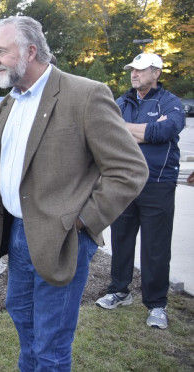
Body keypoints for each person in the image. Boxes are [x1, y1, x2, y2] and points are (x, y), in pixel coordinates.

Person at [0, 16, 148, 371]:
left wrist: (82, 222)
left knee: (52, 343)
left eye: (0, 51)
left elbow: (130, 169)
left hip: (64, 239)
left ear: (30, 51)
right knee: (22, 317)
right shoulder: (9, 103)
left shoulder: (85, 94)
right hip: (17, 236)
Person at [95, 53, 186, 330]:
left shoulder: (171, 103)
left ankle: (157, 304)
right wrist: (142, 129)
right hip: (124, 183)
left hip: (158, 183)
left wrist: (128, 129)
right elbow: (107, 134)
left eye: (140, 70)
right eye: (132, 70)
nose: (134, 74)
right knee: (121, 239)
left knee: (155, 246)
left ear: (156, 72)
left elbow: (163, 132)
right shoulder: (121, 102)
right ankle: (119, 290)